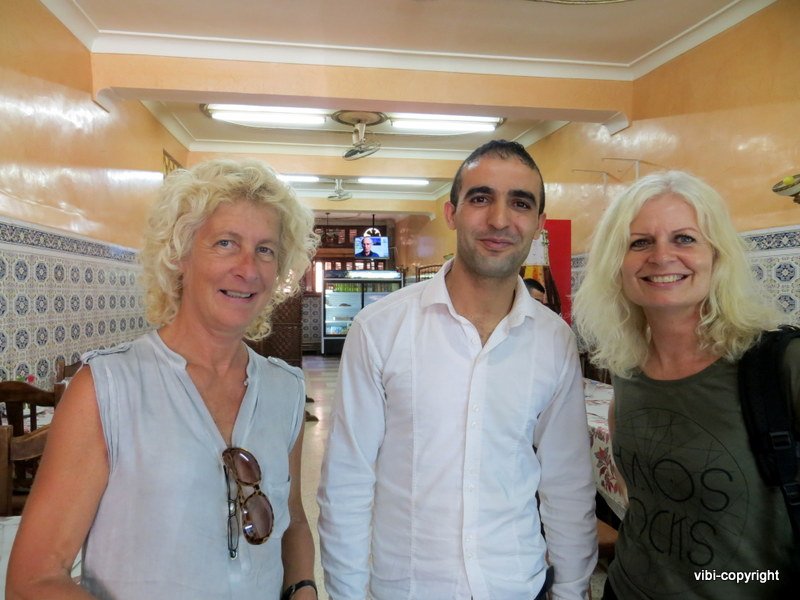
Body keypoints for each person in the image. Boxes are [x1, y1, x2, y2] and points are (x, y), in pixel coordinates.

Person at [7, 159, 320, 600]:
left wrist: (304, 587)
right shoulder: (107, 388)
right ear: (179, 255)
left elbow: (294, 521)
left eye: (265, 250)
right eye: (226, 243)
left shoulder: (285, 389)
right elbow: (33, 580)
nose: (249, 269)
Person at [318, 140, 597, 599]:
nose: (500, 220)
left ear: (539, 224)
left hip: (516, 585)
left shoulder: (554, 341)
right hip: (409, 588)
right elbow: (347, 481)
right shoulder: (380, 329)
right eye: (481, 198)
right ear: (452, 213)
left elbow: (566, 482)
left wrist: (571, 590)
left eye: (520, 203)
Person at [574, 170, 799, 599]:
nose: (662, 256)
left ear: (717, 255)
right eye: (640, 242)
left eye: (684, 238)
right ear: (616, 264)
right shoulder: (629, 367)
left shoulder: (781, 365)